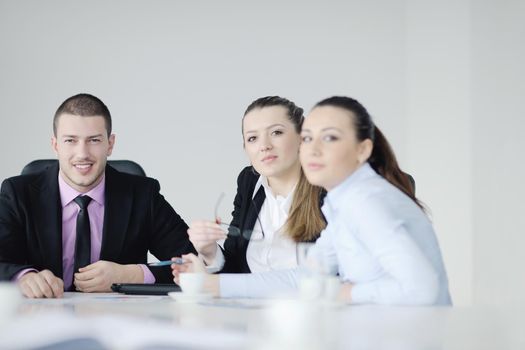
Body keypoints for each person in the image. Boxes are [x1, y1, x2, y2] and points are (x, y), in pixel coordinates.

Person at [173, 96, 451, 306]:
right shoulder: (343, 202)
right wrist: (209, 284)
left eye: (330, 138)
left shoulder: (366, 202)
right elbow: (307, 276)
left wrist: (343, 292)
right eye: (308, 138)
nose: (313, 149)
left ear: (363, 149)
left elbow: (422, 288)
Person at [0, 93, 196, 298]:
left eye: (93, 140)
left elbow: (195, 262)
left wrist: (132, 274)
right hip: (39, 318)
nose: (82, 153)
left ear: (110, 144)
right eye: (70, 141)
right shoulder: (17, 193)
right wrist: (23, 277)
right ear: (55, 145)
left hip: (120, 321)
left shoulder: (143, 195)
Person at [188, 96, 325, 273]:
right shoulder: (249, 182)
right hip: (251, 301)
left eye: (276, 132)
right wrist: (210, 251)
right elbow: (236, 267)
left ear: (302, 137)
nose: (264, 146)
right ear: (245, 147)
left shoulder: (328, 188)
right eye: (253, 138)